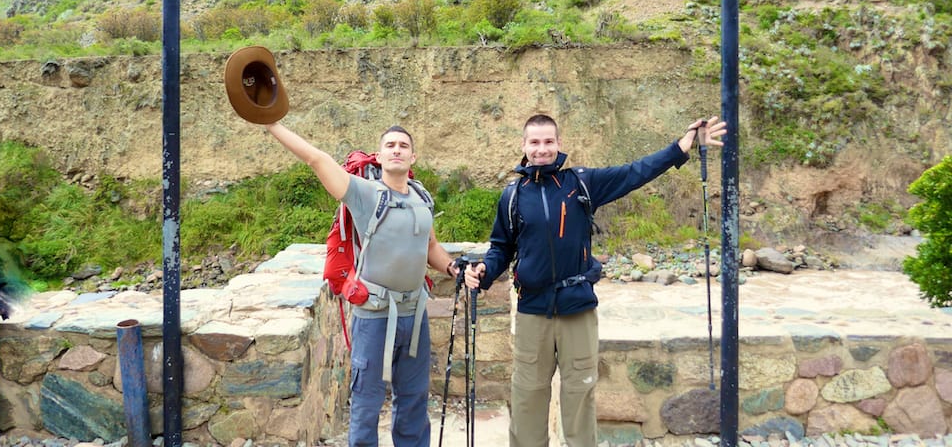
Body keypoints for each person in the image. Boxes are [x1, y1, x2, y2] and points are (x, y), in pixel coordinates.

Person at [464, 113, 727, 447]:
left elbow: (636, 172)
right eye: (535, 142)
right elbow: (501, 248)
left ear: (559, 144)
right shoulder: (513, 195)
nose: (542, 149)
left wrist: (681, 148)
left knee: (579, 397)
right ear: (524, 146)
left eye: (548, 142)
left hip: (577, 308)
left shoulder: (582, 184)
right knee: (528, 398)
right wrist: (484, 272)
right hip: (532, 310)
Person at [264, 121, 460, 447]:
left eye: (403, 146)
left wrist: (453, 267)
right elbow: (316, 158)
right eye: (390, 145)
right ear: (380, 156)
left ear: (413, 157)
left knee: (413, 400)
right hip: (374, 316)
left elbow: (430, 248)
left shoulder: (422, 197)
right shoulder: (364, 193)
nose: (397, 150)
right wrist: (272, 125)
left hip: (414, 314)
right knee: (366, 404)